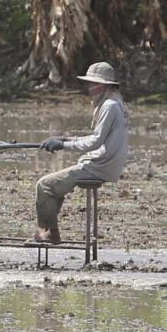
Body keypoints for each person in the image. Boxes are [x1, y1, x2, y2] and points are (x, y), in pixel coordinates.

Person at [33, 62, 129, 244]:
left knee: (44, 185)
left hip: (99, 166)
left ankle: (48, 232)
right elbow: (99, 137)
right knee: (54, 186)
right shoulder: (117, 103)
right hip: (107, 165)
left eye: (93, 84)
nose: (90, 88)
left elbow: (95, 142)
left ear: (103, 85)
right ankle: (49, 231)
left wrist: (62, 146)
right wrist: (66, 138)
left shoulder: (109, 106)